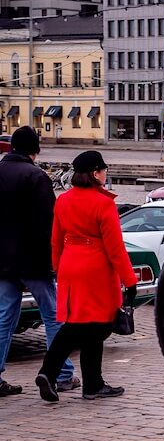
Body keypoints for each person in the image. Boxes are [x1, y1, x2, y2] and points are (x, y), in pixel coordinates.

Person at [35, 151, 138, 403]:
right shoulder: (103, 204)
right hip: (96, 270)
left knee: (81, 324)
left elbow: (56, 240)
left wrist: (60, 268)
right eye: (103, 169)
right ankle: (61, 374)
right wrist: (130, 280)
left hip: (71, 265)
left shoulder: (64, 200)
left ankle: (89, 383)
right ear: (94, 173)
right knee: (94, 325)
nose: (106, 173)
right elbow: (115, 248)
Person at [0, 126, 77, 397]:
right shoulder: (37, 177)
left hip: (3, 262)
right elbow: (50, 225)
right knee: (54, 316)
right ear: (35, 150)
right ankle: (62, 372)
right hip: (33, 261)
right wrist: (54, 261)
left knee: (3, 318)